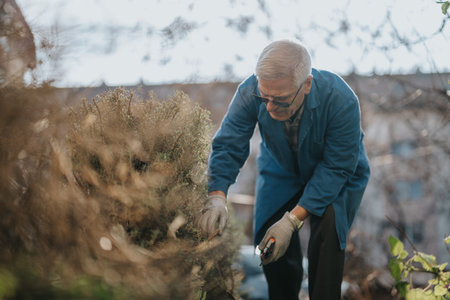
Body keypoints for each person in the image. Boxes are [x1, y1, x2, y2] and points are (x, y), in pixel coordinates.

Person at [198, 39, 370, 300]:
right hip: (280, 168)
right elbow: (229, 143)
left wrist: (292, 221)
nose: (268, 107)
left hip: (336, 171)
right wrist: (216, 195)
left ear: (307, 85)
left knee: (330, 227)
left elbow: (335, 168)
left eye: (280, 100)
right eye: (263, 97)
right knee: (269, 236)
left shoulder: (341, 100)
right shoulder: (250, 90)